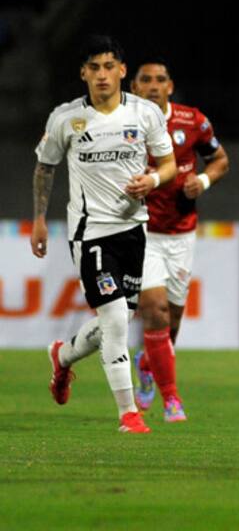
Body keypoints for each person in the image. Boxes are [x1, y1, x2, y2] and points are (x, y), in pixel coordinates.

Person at [32, 35, 176, 433]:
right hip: (90, 233)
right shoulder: (66, 118)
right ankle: (128, 413)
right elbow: (45, 168)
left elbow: (169, 165)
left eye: (108, 66)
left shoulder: (145, 114)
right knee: (114, 319)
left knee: (117, 321)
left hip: (133, 231)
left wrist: (152, 179)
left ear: (122, 72)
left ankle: (62, 357)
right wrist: (40, 219)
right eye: (93, 67)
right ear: (83, 73)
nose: (101, 75)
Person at [130, 57, 229, 422]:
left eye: (160, 79)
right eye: (146, 80)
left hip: (182, 233)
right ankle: (171, 398)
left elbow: (219, 160)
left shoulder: (192, 121)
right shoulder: (124, 124)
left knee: (170, 323)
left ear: (170, 86)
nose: (153, 85)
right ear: (134, 87)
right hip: (141, 231)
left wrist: (202, 182)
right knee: (153, 308)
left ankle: (147, 363)